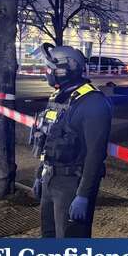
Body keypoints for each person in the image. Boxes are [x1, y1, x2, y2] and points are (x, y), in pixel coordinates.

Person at [30, 43, 112, 238]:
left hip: (72, 185)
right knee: (49, 237)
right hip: (50, 179)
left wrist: (83, 195)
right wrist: (40, 174)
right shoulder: (60, 97)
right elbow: (48, 139)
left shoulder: (93, 102)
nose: (46, 72)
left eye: (49, 68)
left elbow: (95, 154)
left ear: (64, 70)